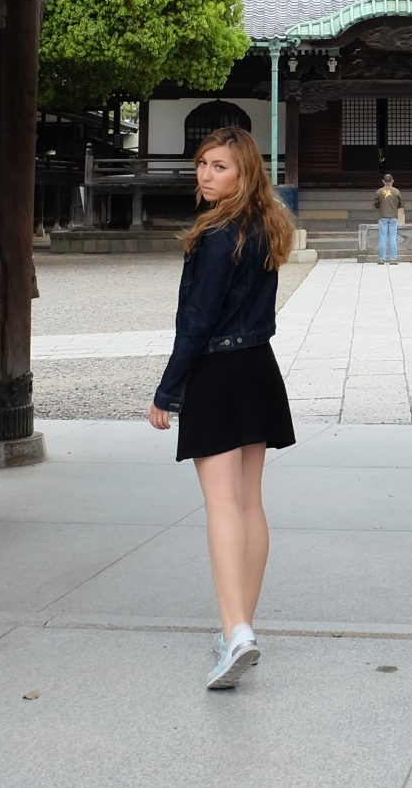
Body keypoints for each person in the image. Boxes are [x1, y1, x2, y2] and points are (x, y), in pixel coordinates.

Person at [149, 126, 298, 690]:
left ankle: (236, 631)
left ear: (244, 174)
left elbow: (197, 322)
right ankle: (242, 627)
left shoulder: (217, 236)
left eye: (219, 167)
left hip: (218, 370)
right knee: (249, 503)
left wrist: (168, 391)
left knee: (221, 506)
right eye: (203, 165)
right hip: (257, 367)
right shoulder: (267, 227)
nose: (205, 175)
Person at [373, 172, 407, 265]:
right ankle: (393, 259)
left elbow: (376, 204)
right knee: (393, 238)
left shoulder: (379, 191)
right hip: (393, 217)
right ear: (392, 181)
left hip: (383, 216)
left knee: (383, 237)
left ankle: (381, 259)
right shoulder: (396, 191)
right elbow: (400, 204)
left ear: (383, 181)